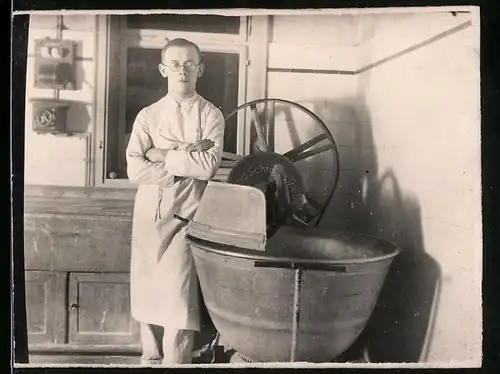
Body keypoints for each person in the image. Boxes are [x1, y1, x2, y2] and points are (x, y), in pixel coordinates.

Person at [125, 38, 225, 365]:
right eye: (175, 64)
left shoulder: (211, 115)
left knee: (179, 300)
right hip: (149, 214)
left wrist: (161, 153)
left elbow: (207, 167)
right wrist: (182, 159)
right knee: (147, 294)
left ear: (201, 69)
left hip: (188, 213)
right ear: (163, 69)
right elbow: (135, 168)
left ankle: (175, 364)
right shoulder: (148, 116)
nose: (182, 70)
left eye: (189, 64)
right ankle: (150, 357)